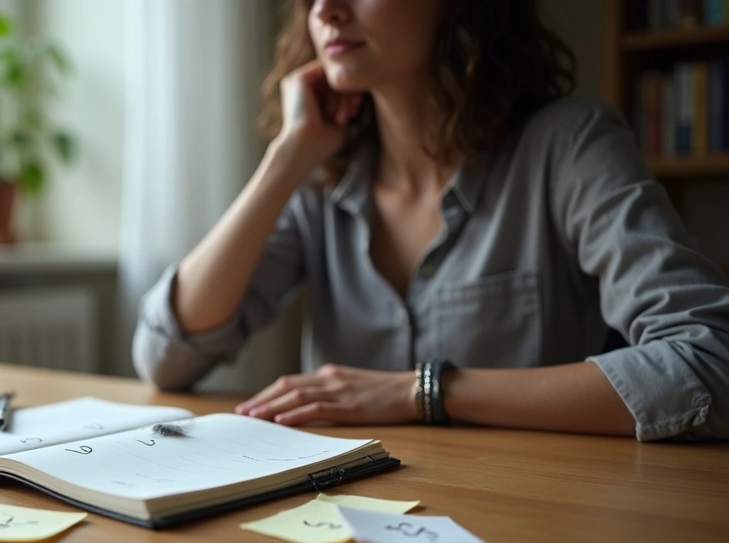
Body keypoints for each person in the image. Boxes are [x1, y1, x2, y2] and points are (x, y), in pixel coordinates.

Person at [132, 0, 729, 441]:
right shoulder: (321, 179)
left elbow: (710, 361)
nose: (326, 10)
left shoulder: (569, 147)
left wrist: (423, 391)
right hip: (339, 521)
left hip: (528, 519)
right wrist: (286, 157)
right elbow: (165, 356)